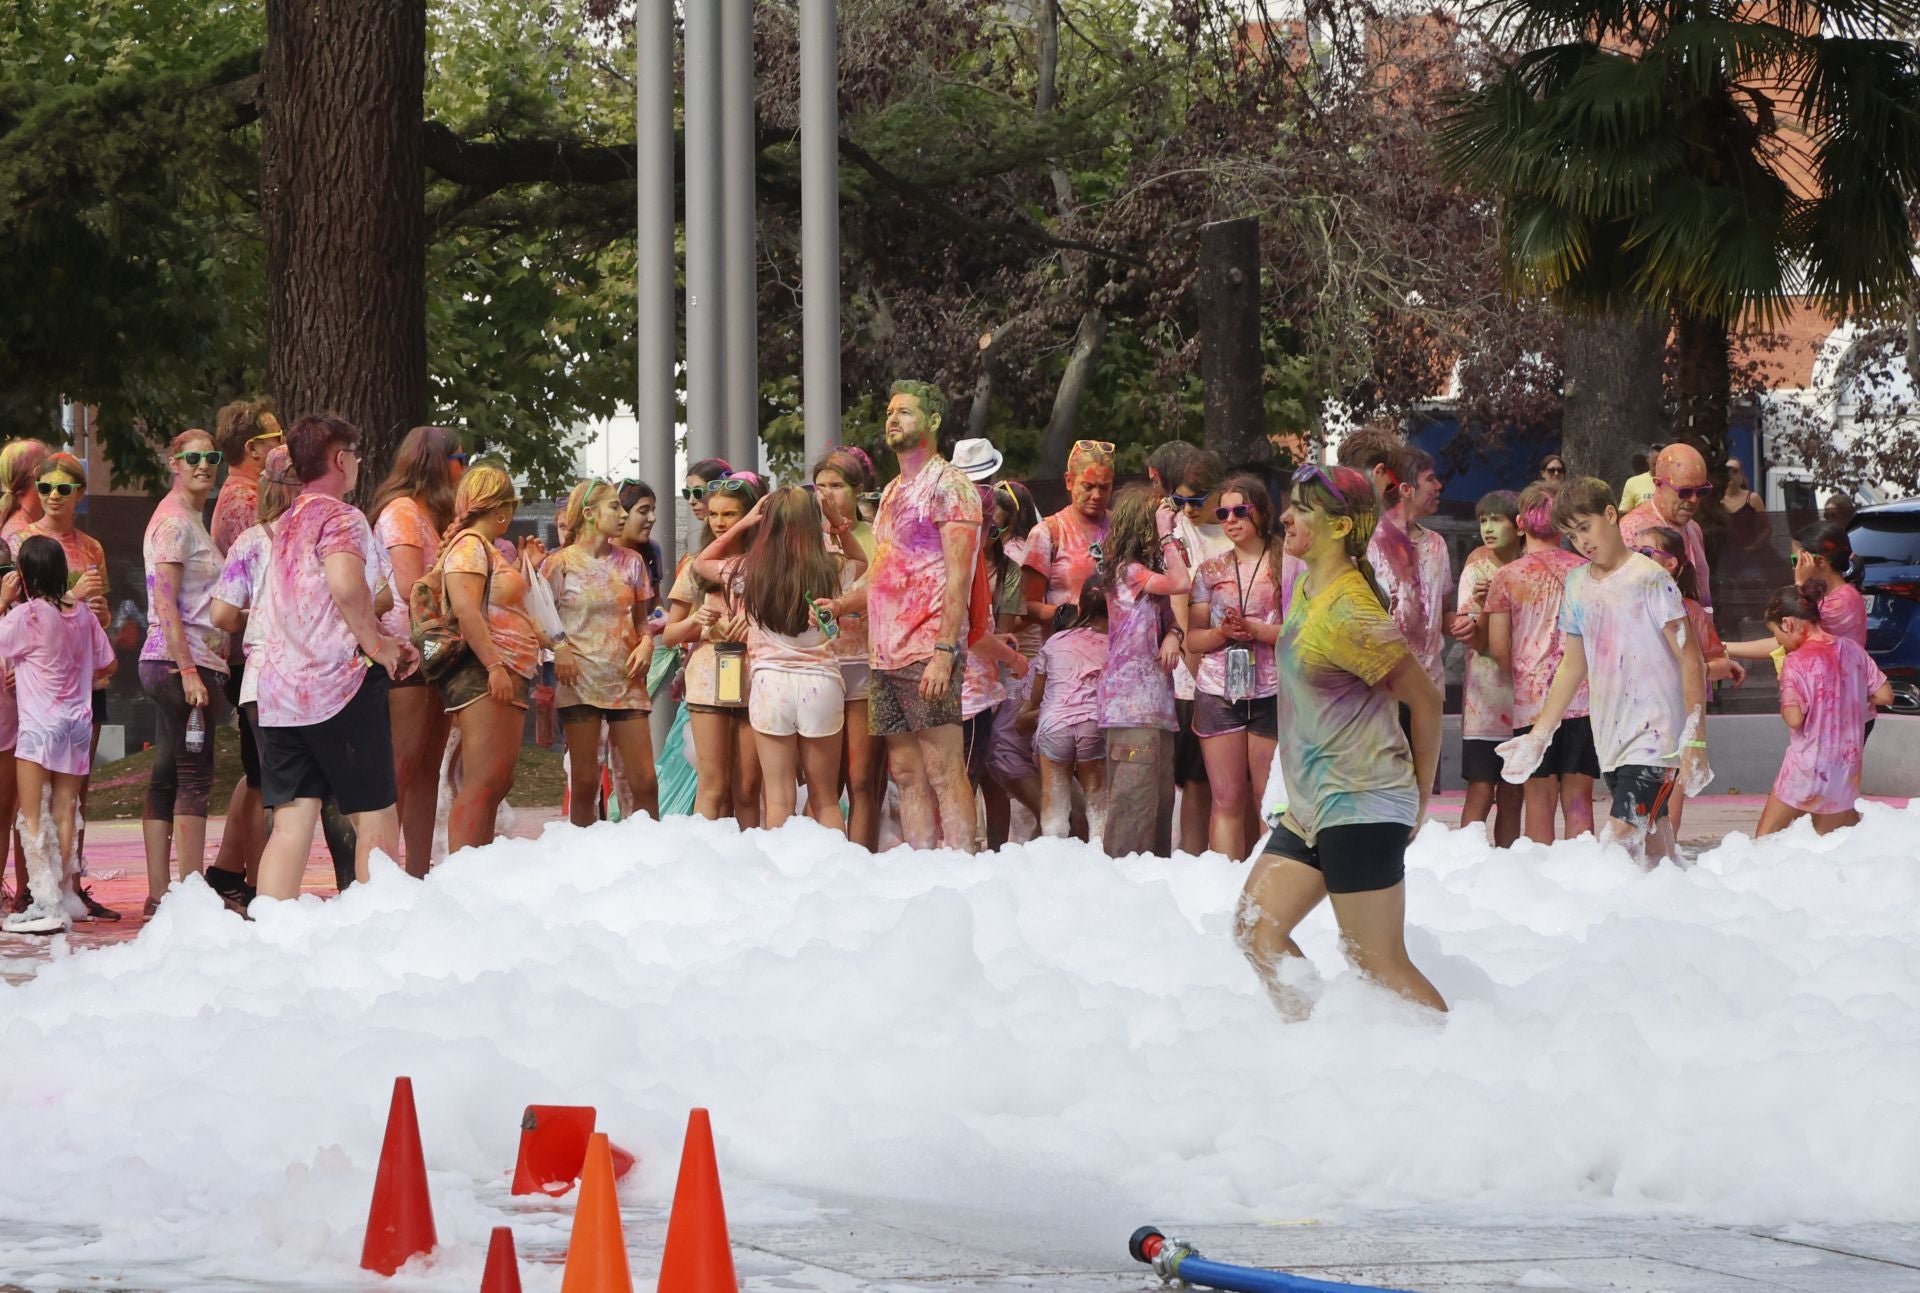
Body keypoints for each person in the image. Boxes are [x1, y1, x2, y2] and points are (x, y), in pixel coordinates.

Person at [1237, 463, 1447, 1018]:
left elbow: (1425, 700)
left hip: (1361, 800)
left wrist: (1420, 797)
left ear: (1339, 527)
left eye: (1302, 509)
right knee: (1257, 930)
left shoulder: (1350, 610)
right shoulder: (1309, 586)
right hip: (1313, 804)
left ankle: (1458, 1061)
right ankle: (1319, 1049)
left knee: (1377, 962)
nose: (1285, 517)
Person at [1498, 478, 1709, 866]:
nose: (1581, 542)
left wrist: (1695, 739)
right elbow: (1573, 664)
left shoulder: (1651, 578)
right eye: (1572, 535)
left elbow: (1690, 659)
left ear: (1610, 515)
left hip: (1658, 741)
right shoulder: (1577, 584)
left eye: (1585, 527)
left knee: (1617, 847)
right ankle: (1684, 913)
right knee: (1656, 856)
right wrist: (1540, 734)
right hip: (1612, 739)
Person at [251, 416, 412, 901]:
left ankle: (268, 935)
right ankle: (378, 929)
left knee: (291, 823)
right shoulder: (341, 517)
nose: (359, 463)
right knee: (375, 814)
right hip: (339, 687)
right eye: (355, 454)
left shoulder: (284, 524)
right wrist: (379, 644)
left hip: (279, 693)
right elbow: (345, 584)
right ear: (340, 459)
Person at [861, 381, 981, 851]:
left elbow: (959, 577)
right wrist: (844, 604)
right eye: (890, 412)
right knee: (906, 771)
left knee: (943, 767)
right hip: (884, 652)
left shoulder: (950, 486)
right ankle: (920, 865)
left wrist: (945, 651)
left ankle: (962, 864)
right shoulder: (891, 490)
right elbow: (883, 570)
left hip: (928, 644)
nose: (893, 419)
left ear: (933, 421)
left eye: (906, 412)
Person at [696, 487, 859, 831]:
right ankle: (837, 877)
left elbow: (702, 563)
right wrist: (838, 522)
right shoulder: (833, 567)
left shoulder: (750, 570)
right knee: (825, 798)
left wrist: (744, 525)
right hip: (822, 685)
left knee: (779, 797)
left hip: (771, 686)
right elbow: (862, 562)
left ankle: (778, 880)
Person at [15, 453, 116, 916]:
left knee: (32, 814)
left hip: (38, 724)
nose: (53, 494)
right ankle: (67, 893)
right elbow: (107, 661)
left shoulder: (29, 611)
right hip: (77, 717)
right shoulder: (75, 617)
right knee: (68, 808)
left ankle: (46, 900)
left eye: (63, 487)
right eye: (45, 486)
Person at [138, 429, 231, 912]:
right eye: (193, 458)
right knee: (195, 776)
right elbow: (165, 602)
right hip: (179, 661)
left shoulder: (191, 519)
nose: (203, 465)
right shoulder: (175, 523)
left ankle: (160, 895)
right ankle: (191, 896)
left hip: (174, 660)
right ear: (174, 463)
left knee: (166, 775)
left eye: (211, 457)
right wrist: (190, 670)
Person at [437, 465, 551, 855]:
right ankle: (463, 874)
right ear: (500, 509)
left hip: (506, 672)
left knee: (495, 783)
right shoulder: (469, 546)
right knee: (482, 782)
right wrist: (495, 667)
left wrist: (525, 569)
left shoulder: (483, 548)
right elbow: (468, 611)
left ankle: (478, 867)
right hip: (484, 676)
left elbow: (498, 601)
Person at [367, 426, 465, 874]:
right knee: (403, 767)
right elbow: (409, 586)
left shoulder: (432, 514)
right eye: (459, 459)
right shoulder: (403, 511)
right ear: (436, 463)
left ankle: (418, 873)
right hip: (407, 652)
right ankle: (379, 871)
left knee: (429, 770)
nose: (465, 468)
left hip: (434, 653)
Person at [208, 447, 303, 907]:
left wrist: (258, 614)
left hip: (262, 680)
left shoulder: (251, 543)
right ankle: (348, 889)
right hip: (318, 680)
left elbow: (222, 615)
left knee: (267, 784)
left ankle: (260, 890)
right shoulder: (329, 534)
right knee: (319, 791)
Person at [1185, 474, 1293, 858]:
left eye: (1240, 511)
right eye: (1223, 512)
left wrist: (1258, 630)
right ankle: (1224, 889)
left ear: (1263, 513)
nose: (1230, 519)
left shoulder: (1288, 563)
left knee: (1271, 802)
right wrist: (1223, 633)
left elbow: (1301, 633)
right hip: (1218, 690)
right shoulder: (1210, 570)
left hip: (1273, 690)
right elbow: (1192, 639)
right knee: (1226, 801)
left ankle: (1271, 889)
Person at [542, 479, 659, 826]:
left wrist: (647, 643)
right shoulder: (559, 564)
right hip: (579, 682)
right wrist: (559, 648)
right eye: (614, 507)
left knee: (645, 782)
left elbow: (642, 621)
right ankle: (582, 859)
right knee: (585, 782)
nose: (622, 515)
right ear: (589, 514)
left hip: (626, 681)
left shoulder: (633, 563)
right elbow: (537, 620)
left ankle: (652, 856)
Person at [1486, 483, 1597, 844]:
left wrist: (1517, 675)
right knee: (1579, 797)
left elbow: (1498, 647)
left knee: (1538, 797)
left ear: (1520, 523)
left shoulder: (1507, 576)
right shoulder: (1586, 572)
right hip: (1582, 699)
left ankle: (1541, 878)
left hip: (1532, 702)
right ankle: (1584, 872)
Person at [662, 472, 765, 826]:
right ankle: (701, 866)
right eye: (714, 514)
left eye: (730, 515)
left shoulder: (767, 567)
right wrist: (699, 624)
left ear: (750, 516)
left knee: (749, 787)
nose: (719, 522)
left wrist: (754, 625)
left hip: (756, 681)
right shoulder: (696, 566)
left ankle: (752, 864)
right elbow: (669, 635)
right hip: (708, 680)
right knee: (714, 785)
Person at [1756, 582, 1891, 837]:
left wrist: (1783, 687)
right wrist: (1847, 692)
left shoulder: (1795, 662)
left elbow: (1794, 719)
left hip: (1805, 767)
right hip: (1844, 768)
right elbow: (1885, 695)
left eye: (1776, 634)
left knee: (1765, 841)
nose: (1779, 642)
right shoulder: (1853, 649)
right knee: (1830, 846)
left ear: (1787, 623)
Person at [1099, 483, 1189, 857]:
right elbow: (1181, 582)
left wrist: (1173, 636)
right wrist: (1168, 532)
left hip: (1158, 710)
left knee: (1158, 802)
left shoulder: (1147, 580)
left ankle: (1153, 881)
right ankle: (1119, 884)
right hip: (1129, 707)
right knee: (1132, 803)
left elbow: (1172, 618)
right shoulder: (1129, 571)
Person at [812, 448, 883, 847]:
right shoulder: (804, 537)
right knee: (825, 780)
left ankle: (862, 860)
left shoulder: (876, 537)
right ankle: (821, 859)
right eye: (819, 486)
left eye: (836, 486)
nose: (826, 496)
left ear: (859, 491)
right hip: (818, 665)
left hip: (864, 662)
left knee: (862, 776)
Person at [1161, 448, 1229, 854]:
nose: (1187, 510)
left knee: (1233, 783)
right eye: (1180, 501)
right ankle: (1189, 859)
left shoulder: (1235, 526)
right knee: (1195, 780)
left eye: (1197, 502)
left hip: (1239, 671)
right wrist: (1195, 663)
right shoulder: (1179, 532)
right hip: (1192, 675)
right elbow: (1180, 609)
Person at [1451, 491, 1521, 846]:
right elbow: (1477, 642)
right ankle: (1465, 862)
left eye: (1497, 520)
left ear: (1520, 524)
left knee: (1513, 793)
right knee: (1480, 788)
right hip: (1484, 700)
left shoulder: (1529, 568)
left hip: (1524, 700)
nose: (1488, 528)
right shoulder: (1477, 568)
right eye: (1483, 521)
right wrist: (1483, 602)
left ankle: (1509, 867)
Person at [0, 438, 50, 909]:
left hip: (12, 680)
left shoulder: (13, 535)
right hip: (11, 682)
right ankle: (29, 890)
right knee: (13, 800)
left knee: (11, 799)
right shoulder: (18, 536)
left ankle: (28, 890)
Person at [1021, 575, 1109, 839]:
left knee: (1055, 803)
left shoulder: (1055, 642)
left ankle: (1051, 861)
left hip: (1053, 724)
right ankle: (1099, 856)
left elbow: (1035, 697)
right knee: (1097, 799)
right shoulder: (1116, 643)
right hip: (1093, 724)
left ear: (1080, 608)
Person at [982, 480, 1044, 847]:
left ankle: (1001, 846)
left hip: (1000, 673)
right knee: (983, 768)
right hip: (975, 670)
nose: (987, 535)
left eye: (995, 528)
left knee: (1000, 758)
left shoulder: (1008, 569)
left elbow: (1004, 634)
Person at [1368, 443, 1450, 694]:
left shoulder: (1437, 544)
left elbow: (1443, 609)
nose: (1439, 487)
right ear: (1406, 489)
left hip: (1429, 686)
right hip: (1382, 685)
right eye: (1430, 479)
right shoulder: (1369, 543)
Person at [1726, 522, 1867, 661]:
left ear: (1821, 562)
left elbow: (1787, 636)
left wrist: (1800, 584)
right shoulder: (1841, 594)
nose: (1794, 567)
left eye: (1796, 560)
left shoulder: (1838, 603)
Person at [1021, 439, 1114, 629]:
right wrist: (1068, 614)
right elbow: (1025, 608)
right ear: (1069, 481)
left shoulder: (1123, 527)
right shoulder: (1047, 533)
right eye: (1088, 486)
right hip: (1068, 649)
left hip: (1119, 649)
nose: (1096, 495)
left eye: (1104, 487)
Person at [1619, 443, 1715, 614]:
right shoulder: (1632, 530)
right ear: (1658, 484)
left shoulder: (1694, 528)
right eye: (1685, 492)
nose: (1693, 500)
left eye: (1701, 491)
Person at [210, 400, 283, 554]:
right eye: (278, 437)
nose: (284, 444)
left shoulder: (240, 492)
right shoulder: (246, 503)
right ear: (252, 448)